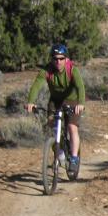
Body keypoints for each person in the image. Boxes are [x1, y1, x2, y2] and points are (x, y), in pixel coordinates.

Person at [25, 43, 87, 175]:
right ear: (51, 59)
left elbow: (80, 87)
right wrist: (30, 102)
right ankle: (59, 153)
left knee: (72, 127)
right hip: (55, 100)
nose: (58, 61)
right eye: (55, 58)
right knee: (50, 129)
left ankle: (74, 159)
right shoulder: (46, 71)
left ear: (66, 59)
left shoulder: (72, 70)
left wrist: (81, 103)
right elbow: (36, 86)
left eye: (61, 58)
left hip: (72, 100)